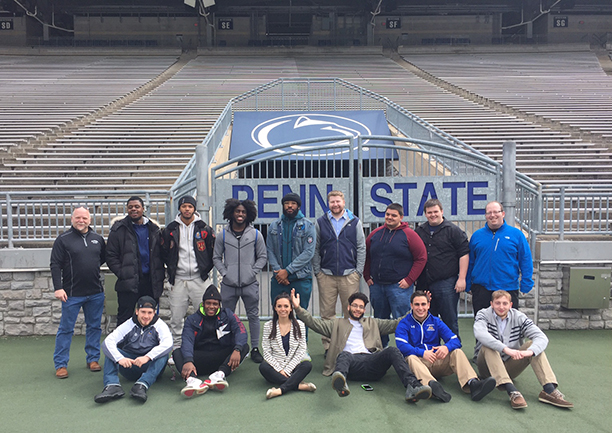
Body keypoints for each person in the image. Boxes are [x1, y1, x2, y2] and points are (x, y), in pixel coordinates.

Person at [291, 289, 431, 403]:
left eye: (361, 307)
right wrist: (298, 309)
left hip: (372, 362)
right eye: (355, 305)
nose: (357, 309)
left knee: (392, 350)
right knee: (344, 355)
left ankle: (413, 387)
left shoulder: (373, 322)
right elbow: (314, 324)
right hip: (351, 364)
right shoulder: (336, 324)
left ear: (364, 310)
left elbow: (397, 323)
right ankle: (341, 382)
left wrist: (415, 309)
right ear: (348, 307)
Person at [474, 290, 573, 410]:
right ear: (491, 304)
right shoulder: (483, 314)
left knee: (533, 345)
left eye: (505, 303)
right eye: (497, 303)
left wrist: (530, 352)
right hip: (487, 369)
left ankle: (549, 390)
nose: (501, 307)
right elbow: (480, 333)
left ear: (510, 305)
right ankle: (512, 391)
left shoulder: (519, 317)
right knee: (488, 345)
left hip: (510, 365)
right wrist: (505, 349)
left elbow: (541, 337)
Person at [395, 291, 496, 403]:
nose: (420, 308)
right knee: (410, 358)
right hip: (418, 365)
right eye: (417, 304)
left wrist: (446, 347)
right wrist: (422, 353)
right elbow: (402, 346)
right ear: (411, 306)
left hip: (436, 361)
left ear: (428, 305)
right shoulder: (404, 323)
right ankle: (431, 386)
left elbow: (455, 340)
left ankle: (473, 384)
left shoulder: (436, 321)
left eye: (423, 304)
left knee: (456, 351)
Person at [50, 206, 106, 379]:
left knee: (94, 327)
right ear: (72, 219)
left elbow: (102, 258)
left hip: (95, 292)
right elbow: (55, 264)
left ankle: (93, 359)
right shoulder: (63, 240)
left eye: (84, 218)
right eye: (78, 218)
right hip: (72, 294)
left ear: (90, 220)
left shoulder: (98, 239)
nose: (81, 221)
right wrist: (58, 287)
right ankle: (61, 364)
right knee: (66, 329)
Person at [364, 202, 427, 347]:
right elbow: (366, 255)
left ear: (401, 217)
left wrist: (409, 279)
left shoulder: (410, 235)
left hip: (399, 288)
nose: (390, 218)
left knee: (403, 320)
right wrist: (367, 276)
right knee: (380, 320)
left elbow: (421, 257)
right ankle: (381, 349)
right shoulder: (375, 234)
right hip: (377, 286)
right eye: (387, 215)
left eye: (394, 215)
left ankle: (407, 351)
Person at [213, 198, 267, 363]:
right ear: (231, 213)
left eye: (243, 212)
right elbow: (216, 257)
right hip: (229, 284)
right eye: (237, 211)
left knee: (253, 316)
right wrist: (225, 272)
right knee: (226, 316)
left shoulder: (256, 234)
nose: (240, 214)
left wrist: (252, 272)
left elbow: (263, 257)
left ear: (248, 214)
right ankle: (228, 347)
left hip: (249, 284)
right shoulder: (222, 234)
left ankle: (255, 348)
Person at [313, 190, 366, 354]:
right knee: (327, 314)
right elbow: (315, 248)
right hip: (326, 275)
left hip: (349, 275)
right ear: (328, 204)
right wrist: (318, 272)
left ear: (343, 202)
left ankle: (349, 346)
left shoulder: (354, 221)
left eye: (338, 201)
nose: (335, 204)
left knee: (350, 313)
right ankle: (329, 347)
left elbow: (361, 247)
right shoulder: (321, 222)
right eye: (332, 202)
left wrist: (358, 272)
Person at [174, 285, 249, 398]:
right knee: (177, 353)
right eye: (208, 303)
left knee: (244, 346)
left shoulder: (228, 315)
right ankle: (193, 381)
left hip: (221, 358)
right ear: (203, 304)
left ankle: (219, 376)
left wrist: (237, 349)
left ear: (219, 305)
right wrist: (188, 360)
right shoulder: (192, 319)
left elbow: (241, 331)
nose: (211, 307)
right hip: (199, 359)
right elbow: (187, 340)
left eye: (215, 304)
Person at [94, 296, 172, 404]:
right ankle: (112, 386)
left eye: (149, 312)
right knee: (111, 350)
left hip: (149, 366)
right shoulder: (129, 324)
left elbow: (168, 344)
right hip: (129, 366)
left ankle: (141, 386)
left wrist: (147, 357)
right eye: (143, 312)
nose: (146, 316)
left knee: (163, 355)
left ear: (154, 312)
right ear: (137, 312)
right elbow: (108, 342)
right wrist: (120, 358)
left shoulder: (160, 325)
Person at [161, 195, 215, 348]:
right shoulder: (170, 229)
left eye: (190, 206)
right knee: (177, 318)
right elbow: (164, 252)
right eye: (184, 206)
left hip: (200, 279)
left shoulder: (204, 228)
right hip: (178, 279)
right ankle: (177, 349)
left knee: (205, 314)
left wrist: (205, 269)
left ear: (194, 209)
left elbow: (212, 251)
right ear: (179, 208)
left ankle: (204, 346)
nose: (187, 209)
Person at [466, 201, 533, 317]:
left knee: (508, 328)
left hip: (508, 288)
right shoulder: (477, 236)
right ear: (486, 216)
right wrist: (467, 283)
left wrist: (526, 282)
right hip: (481, 289)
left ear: (503, 213)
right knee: (483, 328)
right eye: (489, 213)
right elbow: (470, 261)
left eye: (496, 212)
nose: (492, 215)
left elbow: (525, 260)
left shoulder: (516, 235)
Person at [415, 198, 469, 338]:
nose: (433, 215)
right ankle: (430, 353)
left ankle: (454, 352)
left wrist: (462, 278)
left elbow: (464, 254)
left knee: (449, 321)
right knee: (426, 321)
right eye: (429, 212)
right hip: (424, 283)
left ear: (442, 211)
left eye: (435, 211)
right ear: (425, 214)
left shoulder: (454, 231)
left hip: (446, 283)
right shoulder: (419, 231)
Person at [107, 196, 165, 325]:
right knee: (124, 318)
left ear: (143, 209)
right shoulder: (118, 229)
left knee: (149, 317)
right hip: (128, 281)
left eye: (137, 207)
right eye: (130, 207)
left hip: (150, 281)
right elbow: (110, 255)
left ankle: (149, 344)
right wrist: (122, 272)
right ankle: (122, 345)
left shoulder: (154, 229)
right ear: (127, 209)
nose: (134, 209)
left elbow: (162, 254)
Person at [260, 293, 316, 399]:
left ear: (291, 308)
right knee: (263, 367)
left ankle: (280, 390)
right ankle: (299, 386)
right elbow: (266, 352)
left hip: (293, 367)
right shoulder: (268, 326)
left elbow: (301, 350)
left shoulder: (300, 325)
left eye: (286, 306)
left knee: (307, 365)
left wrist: (287, 370)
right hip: (276, 368)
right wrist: (280, 370)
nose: (283, 309)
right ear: (275, 308)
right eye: (279, 306)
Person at [267, 192, 316, 313]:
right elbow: (269, 250)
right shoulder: (274, 226)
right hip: (278, 279)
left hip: (301, 279)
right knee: (279, 315)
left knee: (301, 316)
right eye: (286, 203)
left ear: (298, 206)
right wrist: (279, 272)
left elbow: (308, 252)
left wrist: (287, 271)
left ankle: (301, 334)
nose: (289, 206)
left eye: (293, 203)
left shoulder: (308, 226)